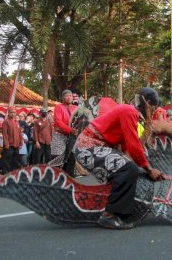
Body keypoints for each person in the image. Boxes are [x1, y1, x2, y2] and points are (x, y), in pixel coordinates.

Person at [75, 87, 164, 229]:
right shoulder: (129, 111)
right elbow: (133, 147)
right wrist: (149, 169)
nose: (153, 112)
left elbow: (127, 147)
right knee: (129, 169)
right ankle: (109, 216)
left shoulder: (129, 111)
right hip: (87, 148)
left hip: (94, 149)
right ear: (147, 102)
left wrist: (144, 165)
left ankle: (119, 211)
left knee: (129, 167)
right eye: (153, 107)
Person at [50, 90, 77, 177]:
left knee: (71, 155)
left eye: (70, 96)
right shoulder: (58, 107)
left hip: (72, 135)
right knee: (58, 155)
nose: (69, 97)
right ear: (62, 98)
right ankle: (54, 176)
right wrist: (70, 129)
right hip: (60, 134)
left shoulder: (75, 108)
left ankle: (68, 176)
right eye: (67, 96)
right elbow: (58, 121)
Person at [2, 107, 23, 173]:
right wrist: (6, 143)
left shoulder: (16, 122)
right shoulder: (6, 121)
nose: (13, 114)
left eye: (14, 112)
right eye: (12, 112)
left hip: (16, 144)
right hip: (9, 144)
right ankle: (6, 173)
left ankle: (15, 173)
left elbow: (20, 133)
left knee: (16, 160)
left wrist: (21, 143)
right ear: (9, 113)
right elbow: (4, 133)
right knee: (7, 160)